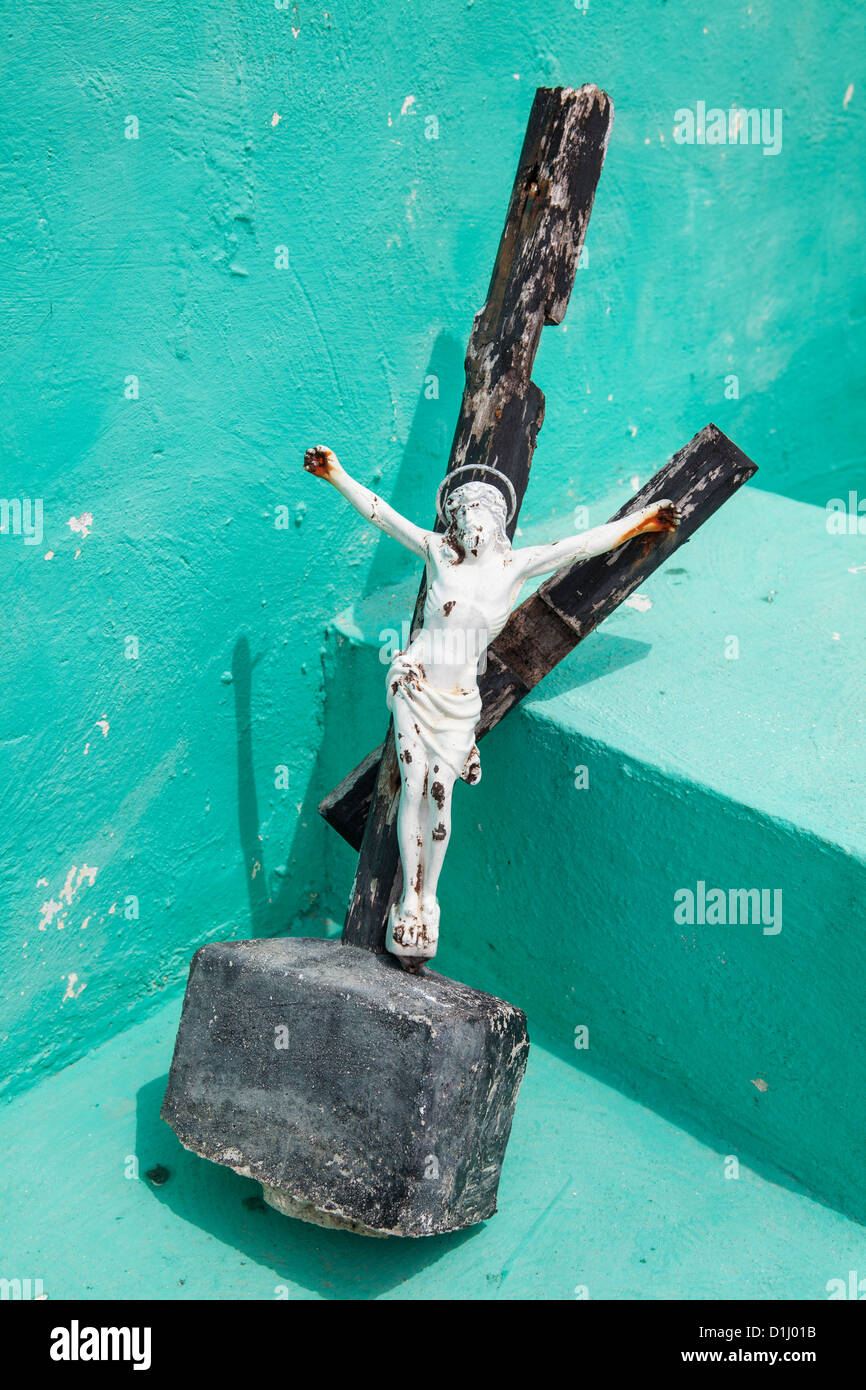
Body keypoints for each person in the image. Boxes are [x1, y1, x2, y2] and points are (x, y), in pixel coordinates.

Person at [304, 445, 680, 965]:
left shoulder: (515, 566)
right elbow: (382, 515)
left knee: (441, 792)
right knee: (412, 788)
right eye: (457, 514)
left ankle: (428, 897)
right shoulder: (439, 553)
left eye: (474, 512)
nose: (465, 522)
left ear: (495, 518)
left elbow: (583, 545)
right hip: (416, 684)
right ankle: (407, 902)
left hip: (459, 703)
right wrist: (336, 475)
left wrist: (641, 521)